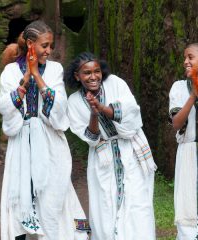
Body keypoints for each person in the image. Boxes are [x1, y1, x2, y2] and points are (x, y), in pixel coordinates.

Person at [0, 20, 89, 240]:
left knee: (55, 192)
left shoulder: (55, 69)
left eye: (51, 46)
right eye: (44, 46)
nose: (49, 51)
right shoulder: (10, 71)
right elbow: (3, 106)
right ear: (30, 44)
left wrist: (37, 76)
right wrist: (26, 78)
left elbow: (59, 107)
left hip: (50, 143)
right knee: (20, 195)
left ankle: (65, 235)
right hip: (21, 142)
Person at [66, 52, 156, 240]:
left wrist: (101, 108)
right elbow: (90, 138)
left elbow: (131, 112)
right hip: (103, 159)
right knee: (105, 208)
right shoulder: (73, 102)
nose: (93, 77)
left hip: (132, 152)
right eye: (87, 73)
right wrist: (93, 114)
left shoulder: (115, 83)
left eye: (97, 71)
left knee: (137, 205)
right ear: (77, 76)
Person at [169, 43, 198, 239]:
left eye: (190, 57)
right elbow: (176, 123)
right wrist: (193, 96)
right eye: (185, 58)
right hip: (189, 155)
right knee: (189, 212)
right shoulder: (179, 88)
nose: (185, 62)